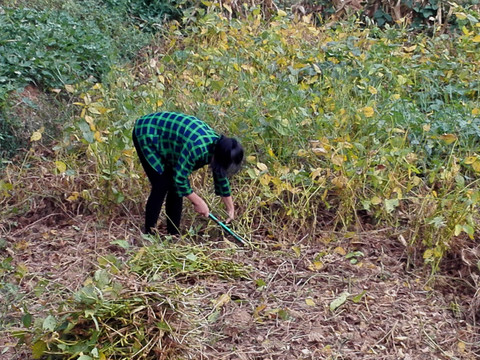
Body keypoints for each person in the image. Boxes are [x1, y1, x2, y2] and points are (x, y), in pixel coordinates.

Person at [132, 111, 244, 235]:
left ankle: (173, 234)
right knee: (162, 184)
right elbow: (179, 179)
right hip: (148, 132)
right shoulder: (197, 148)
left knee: (175, 189)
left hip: (170, 142)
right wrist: (198, 202)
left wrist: (230, 208)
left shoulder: (219, 151)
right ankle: (149, 234)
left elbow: (220, 175)